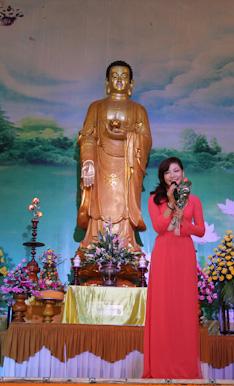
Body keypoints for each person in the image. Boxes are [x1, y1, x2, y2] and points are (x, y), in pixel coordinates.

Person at [77, 60, 152, 252]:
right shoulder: (96, 107)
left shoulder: (139, 110)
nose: (119, 81)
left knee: (124, 208)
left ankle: (125, 246)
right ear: (107, 81)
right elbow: (87, 137)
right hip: (100, 165)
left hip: (127, 167)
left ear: (131, 83)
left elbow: (146, 140)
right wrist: (88, 161)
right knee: (98, 207)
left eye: (124, 77)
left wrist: (127, 136)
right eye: (115, 77)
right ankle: (95, 248)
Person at [143, 157, 205, 379]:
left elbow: (200, 230)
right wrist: (170, 203)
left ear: (182, 173)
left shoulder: (194, 200)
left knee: (183, 306)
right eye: (168, 172)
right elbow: (159, 227)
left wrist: (184, 222)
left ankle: (185, 366)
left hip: (184, 254)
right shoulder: (154, 199)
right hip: (164, 254)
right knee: (163, 305)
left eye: (176, 171)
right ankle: (160, 366)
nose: (173, 175)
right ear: (163, 177)